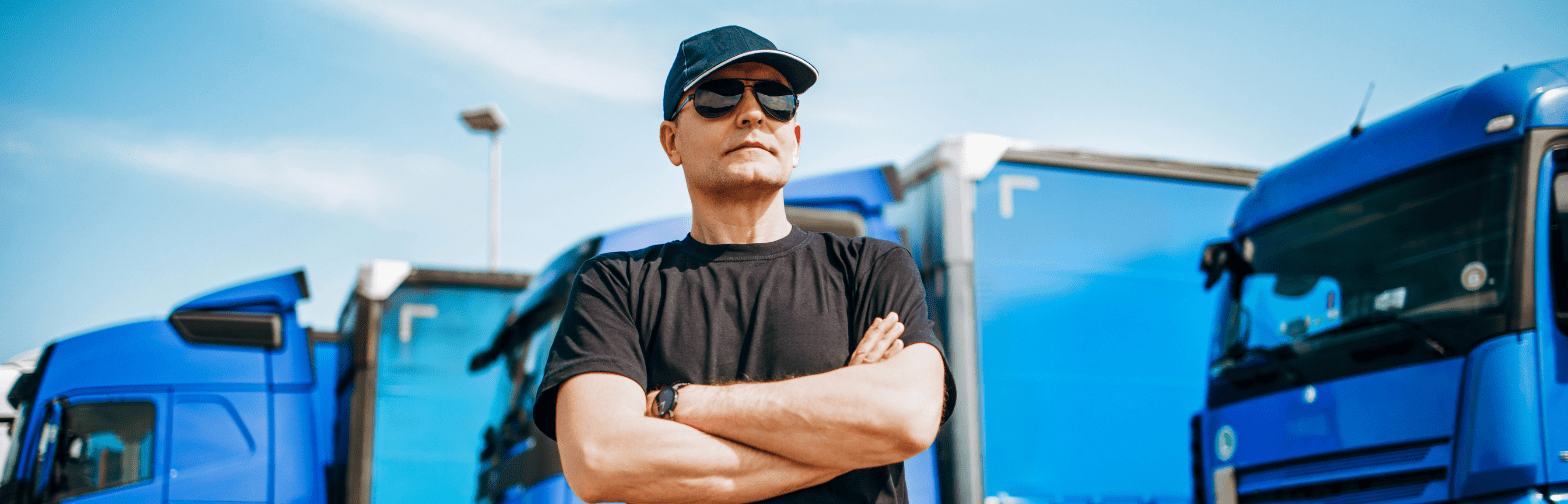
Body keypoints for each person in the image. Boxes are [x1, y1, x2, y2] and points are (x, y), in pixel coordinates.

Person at [532, 25, 953, 504]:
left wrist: (678, 403)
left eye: (777, 97)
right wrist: (845, 432)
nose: (752, 113)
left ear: (794, 140)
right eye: (719, 95)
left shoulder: (873, 268)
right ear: (671, 141)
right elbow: (602, 460)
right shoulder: (614, 286)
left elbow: (905, 416)